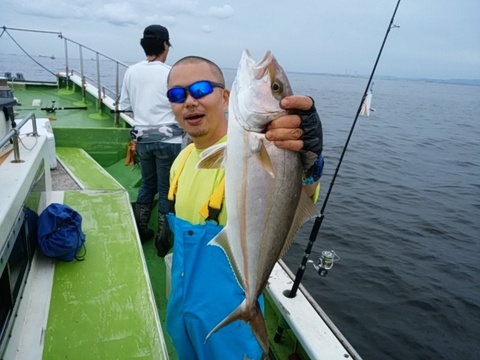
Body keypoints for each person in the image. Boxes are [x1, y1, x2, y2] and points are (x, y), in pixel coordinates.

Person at [165, 56, 324, 359]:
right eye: (177, 95)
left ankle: (250, 311)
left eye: (200, 89)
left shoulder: (270, 144)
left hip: (230, 326)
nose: (189, 101)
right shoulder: (182, 160)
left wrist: (308, 162)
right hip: (181, 310)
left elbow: (297, 189)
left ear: (226, 96)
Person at [119, 25, 184, 256]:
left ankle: (140, 229)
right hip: (170, 141)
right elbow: (181, 106)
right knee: (167, 190)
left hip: (142, 140)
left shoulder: (131, 71)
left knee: (147, 184)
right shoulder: (171, 73)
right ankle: (162, 240)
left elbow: (125, 105)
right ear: (165, 45)